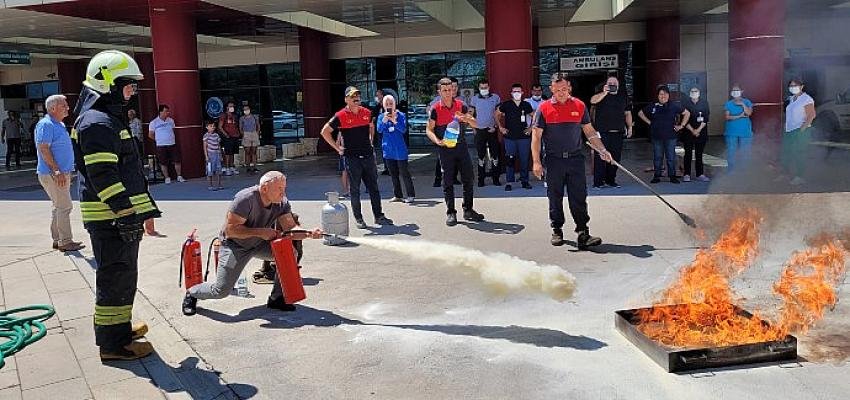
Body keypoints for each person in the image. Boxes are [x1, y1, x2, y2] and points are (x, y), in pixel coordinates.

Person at [72, 50, 161, 360]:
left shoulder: (105, 119)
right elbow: (103, 175)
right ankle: (113, 345)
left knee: (122, 275)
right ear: (108, 83)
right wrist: (124, 213)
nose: (132, 92)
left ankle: (119, 328)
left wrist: (142, 211)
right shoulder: (97, 122)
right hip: (111, 219)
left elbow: (125, 171)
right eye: (128, 85)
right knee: (115, 277)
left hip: (117, 218)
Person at [182, 171, 323, 315]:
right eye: (279, 189)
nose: (283, 193)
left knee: (291, 254)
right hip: (235, 246)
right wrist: (261, 232)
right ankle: (192, 293)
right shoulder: (245, 199)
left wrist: (309, 233)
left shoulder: (282, 202)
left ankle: (277, 299)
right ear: (264, 189)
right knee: (221, 290)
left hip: (259, 243)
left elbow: (290, 228)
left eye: (284, 188)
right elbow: (231, 231)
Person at [532, 72, 612, 249]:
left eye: (564, 89)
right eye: (557, 89)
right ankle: (557, 230)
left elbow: (589, 131)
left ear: (569, 88)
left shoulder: (579, 105)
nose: (561, 92)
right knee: (555, 196)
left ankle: (583, 232)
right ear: (551, 89)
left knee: (579, 197)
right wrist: (536, 162)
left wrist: (602, 149)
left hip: (575, 159)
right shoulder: (543, 108)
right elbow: (536, 137)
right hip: (553, 160)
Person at [319, 86, 393, 229]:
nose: (356, 98)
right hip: (352, 158)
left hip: (367, 156)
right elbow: (324, 131)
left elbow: (371, 126)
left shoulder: (367, 112)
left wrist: (371, 140)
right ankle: (359, 219)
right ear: (346, 99)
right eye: (353, 96)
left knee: (374, 188)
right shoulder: (340, 115)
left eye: (358, 95)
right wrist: (337, 147)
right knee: (355, 189)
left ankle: (379, 216)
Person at [426, 78, 485, 226]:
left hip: (461, 147)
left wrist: (465, 118)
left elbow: (476, 123)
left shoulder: (461, 105)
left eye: (450, 90)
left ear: (454, 90)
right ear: (439, 92)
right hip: (445, 149)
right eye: (444, 90)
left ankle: (468, 209)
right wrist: (437, 141)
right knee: (448, 181)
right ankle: (451, 212)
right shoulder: (435, 109)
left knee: (468, 178)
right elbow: (429, 129)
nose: (447, 93)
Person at [35, 95, 84, 252]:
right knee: (64, 206)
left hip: (59, 172)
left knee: (58, 206)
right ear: (53, 108)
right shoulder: (46, 125)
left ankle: (58, 239)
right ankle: (65, 241)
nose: (67, 108)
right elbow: (44, 148)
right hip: (54, 173)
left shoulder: (59, 124)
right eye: (64, 105)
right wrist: (56, 170)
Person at [638, 85, 690, 184]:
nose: (663, 96)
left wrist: (681, 126)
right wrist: (650, 122)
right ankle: (657, 176)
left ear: (668, 95)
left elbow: (687, 113)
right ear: (658, 95)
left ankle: (672, 176)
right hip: (656, 137)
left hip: (671, 137)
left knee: (671, 157)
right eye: (661, 94)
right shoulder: (653, 105)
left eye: (665, 94)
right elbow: (640, 113)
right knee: (657, 157)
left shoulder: (674, 105)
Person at [590, 76, 633, 189]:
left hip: (618, 132)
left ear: (618, 85)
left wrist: (630, 127)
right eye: (610, 83)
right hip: (602, 132)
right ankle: (598, 182)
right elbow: (592, 101)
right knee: (600, 157)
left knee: (615, 158)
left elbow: (627, 113)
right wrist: (604, 93)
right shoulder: (600, 96)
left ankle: (611, 180)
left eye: (614, 83)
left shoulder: (623, 97)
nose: (612, 85)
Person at [495, 83, 535, 191]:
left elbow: (535, 116)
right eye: (514, 91)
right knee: (510, 160)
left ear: (522, 93)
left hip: (524, 137)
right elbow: (496, 114)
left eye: (519, 91)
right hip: (510, 137)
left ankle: (525, 181)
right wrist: (501, 127)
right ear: (511, 93)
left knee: (524, 160)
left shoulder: (526, 105)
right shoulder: (506, 104)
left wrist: (531, 128)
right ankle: (509, 182)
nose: (517, 93)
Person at [377, 94, 415, 203]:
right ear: (384, 105)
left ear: (394, 104)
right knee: (393, 174)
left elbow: (403, 130)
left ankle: (410, 195)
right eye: (387, 104)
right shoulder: (381, 117)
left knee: (404, 173)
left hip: (400, 149)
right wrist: (384, 120)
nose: (389, 106)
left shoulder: (401, 115)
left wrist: (394, 121)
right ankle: (398, 195)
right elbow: (379, 130)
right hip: (388, 149)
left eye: (391, 103)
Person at [781, 78, 816, 186]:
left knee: (799, 153)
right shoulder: (792, 99)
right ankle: (785, 174)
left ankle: (800, 176)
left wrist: (802, 129)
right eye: (791, 86)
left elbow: (811, 115)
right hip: (789, 130)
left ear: (801, 86)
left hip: (800, 130)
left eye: (795, 85)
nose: (793, 88)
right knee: (786, 152)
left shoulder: (806, 99)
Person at [430, 77, 463, 187]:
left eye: (454, 87)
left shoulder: (460, 102)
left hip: (455, 135)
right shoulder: (437, 102)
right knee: (441, 159)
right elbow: (430, 114)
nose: (452, 90)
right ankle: (438, 179)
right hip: (442, 134)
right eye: (449, 88)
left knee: (456, 157)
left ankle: (454, 178)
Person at [469, 79, 502, 187]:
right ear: (479, 88)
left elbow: (499, 114)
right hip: (480, 131)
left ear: (489, 87)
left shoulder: (495, 98)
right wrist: (474, 129)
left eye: (485, 87)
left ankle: (495, 178)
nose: (484, 89)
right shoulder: (474, 99)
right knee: (481, 156)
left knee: (495, 155)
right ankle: (481, 179)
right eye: (482, 88)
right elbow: (470, 115)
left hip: (492, 130)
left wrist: (496, 126)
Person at [148, 105, 185, 184]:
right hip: (161, 145)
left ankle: (179, 176)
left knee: (177, 160)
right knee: (163, 162)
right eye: (166, 111)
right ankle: (167, 177)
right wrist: (158, 139)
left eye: (168, 111)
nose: (167, 113)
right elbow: (150, 134)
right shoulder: (154, 122)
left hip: (172, 143)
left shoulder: (171, 120)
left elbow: (173, 130)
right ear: (160, 112)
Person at [682, 87, 711, 182]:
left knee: (699, 154)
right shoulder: (685, 103)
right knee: (688, 154)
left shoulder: (704, 103)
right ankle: (686, 174)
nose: (694, 93)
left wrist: (698, 130)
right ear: (689, 93)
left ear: (699, 93)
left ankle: (700, 174)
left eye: (696, 91)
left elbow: (706, 118)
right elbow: (683, 119)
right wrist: (692, 130)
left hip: (701, 133)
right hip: (688, 132)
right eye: (692, 91)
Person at [723, 84, 754, 172]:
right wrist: (739, 116)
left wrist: (742, 104)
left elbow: (748, 113)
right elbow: (727, 117)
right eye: (734, 91)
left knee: (745, 152)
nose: (735, 92)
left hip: (745, 132)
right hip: (731, 132)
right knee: (731, 152)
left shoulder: (747, 102)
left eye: (737, 90)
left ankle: (743, 173)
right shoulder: (728, 103)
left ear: (742, 91)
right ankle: (731, 172)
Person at [219, 101, 241, 176]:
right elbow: (220, 126)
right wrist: (226, 135)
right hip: (228, 137)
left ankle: (232, 167)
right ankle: (227, 167)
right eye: (230, 106)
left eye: (233, 106)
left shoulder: (235, 115)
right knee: (227, 153)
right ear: (227, 107)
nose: (232, 107)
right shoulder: (223, 115)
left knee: (233, 152)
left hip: (235, 136)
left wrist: (238, 134)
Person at [370, 89, 389, 175]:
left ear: (382, 96)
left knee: (389, 148)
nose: (377, 97)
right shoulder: (377, 107)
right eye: (376, 95)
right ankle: (386, 167)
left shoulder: (388, 107)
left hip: (388, 132)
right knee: (383, 149)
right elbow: (373, 119)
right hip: (380, 131)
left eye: (378, 95)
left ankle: (391, 167)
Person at [239, 104, 261, 174]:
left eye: (247, 109)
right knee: (247, 152)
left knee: (254, 152)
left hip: (254, 133)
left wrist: (257, 133)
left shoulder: (255, 117)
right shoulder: (242, 118)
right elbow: (240, 127)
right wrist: (243, 134)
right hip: (246, 134)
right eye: (244, 109)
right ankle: (248, 167)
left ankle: (255, 167)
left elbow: (258, 125)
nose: (246, 110)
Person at [203, 120, 223, 190]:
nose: (212, 127)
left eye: (213, 126)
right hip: (210, 155)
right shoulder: (206, 136)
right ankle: (210, 185)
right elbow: (205, 147)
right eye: (210, 126)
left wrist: (220, 155)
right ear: (207, 127)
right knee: (210, 170)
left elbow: (219, 145)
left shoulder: (216, 135)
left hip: (217, 154)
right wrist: (206, 156)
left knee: (219, 170)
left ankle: (219, 184)